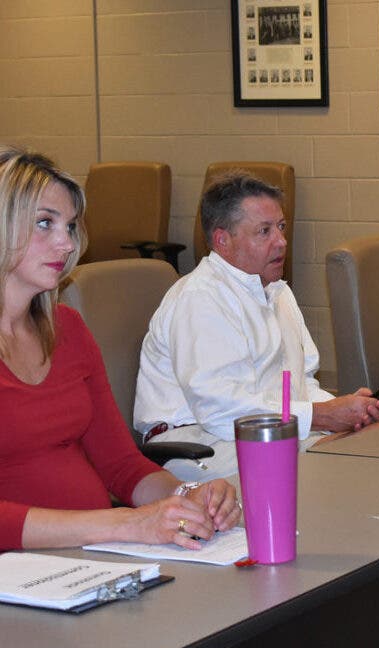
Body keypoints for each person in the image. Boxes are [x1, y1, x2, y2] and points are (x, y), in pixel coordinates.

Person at [0, 146, 241, 552]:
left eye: (70, 226)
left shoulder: (68, 329)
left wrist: (188, 497)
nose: (66, 243)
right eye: (45, 223)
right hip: (23, 570)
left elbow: (121, 465)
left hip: (97, 555)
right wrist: (123, 524)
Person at [134, 171, 379, 480]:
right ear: (222, 240)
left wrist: (348, 410)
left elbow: (301, 385)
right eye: (264, 231)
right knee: (343, 461)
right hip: (197, 444)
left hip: (265, 433)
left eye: (281, 227)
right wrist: (324, 416)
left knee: (375, 440)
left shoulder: (277, 292)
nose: (281, 241)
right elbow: (220, 410)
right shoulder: (200, 298)